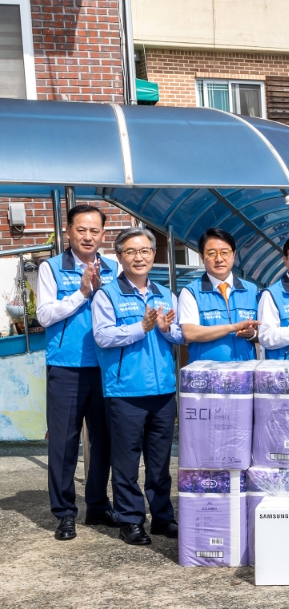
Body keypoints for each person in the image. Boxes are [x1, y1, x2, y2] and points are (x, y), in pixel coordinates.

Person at [92, 227, 184, 545]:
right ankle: (131, 520)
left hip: (162, 391)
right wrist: (140, 327)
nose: (138, 257)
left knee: (160, 461)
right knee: (127, 461)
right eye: (131, 251)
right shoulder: (107, 294)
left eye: (144, 250)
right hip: (125, 391)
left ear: (153, 255)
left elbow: (178, 335)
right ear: (119, 257)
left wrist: (166, 328)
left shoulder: (165, 294)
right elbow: (103, 337)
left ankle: (162, 518)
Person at [36, 204, 119, 541]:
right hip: (67, 368)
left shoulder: (115, 268)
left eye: (94, 231)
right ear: (68, 232)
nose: (88, 236)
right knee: (64, 445)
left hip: (107, 368)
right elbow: (44, 315)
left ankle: (97, 506)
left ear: (103, 234)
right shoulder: (51, 268)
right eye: (81, 230)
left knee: (104, 443)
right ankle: (65, 513)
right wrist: (83, 292)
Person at [178, 228, 260, 361]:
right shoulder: (190, 292)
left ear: (233, 255)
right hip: (207, 376)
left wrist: (252, 334)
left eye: (224, 253)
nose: (219, 259)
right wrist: (233, 327)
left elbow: (265, 334)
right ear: (201, 256)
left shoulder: (251, 290)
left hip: (245, 373)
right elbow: (190, 333)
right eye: (211, 253)